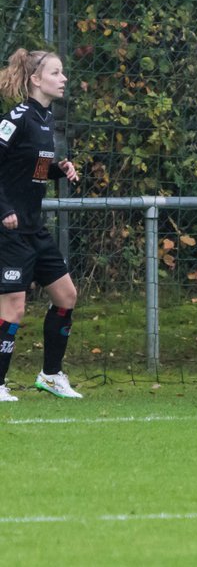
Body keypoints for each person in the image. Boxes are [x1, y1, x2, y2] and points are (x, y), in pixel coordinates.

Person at [0, 48, 82, 401]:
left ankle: (50, 375)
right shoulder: (16, 118)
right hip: (8, 228)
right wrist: (4, 209)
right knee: (14, 306)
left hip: (34, 227)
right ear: (36, 79)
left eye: (62, 73)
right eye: (56, 73)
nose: (63, 79)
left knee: (66, 296)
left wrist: (57, 170)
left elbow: (30, 169)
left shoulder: (46, 120)